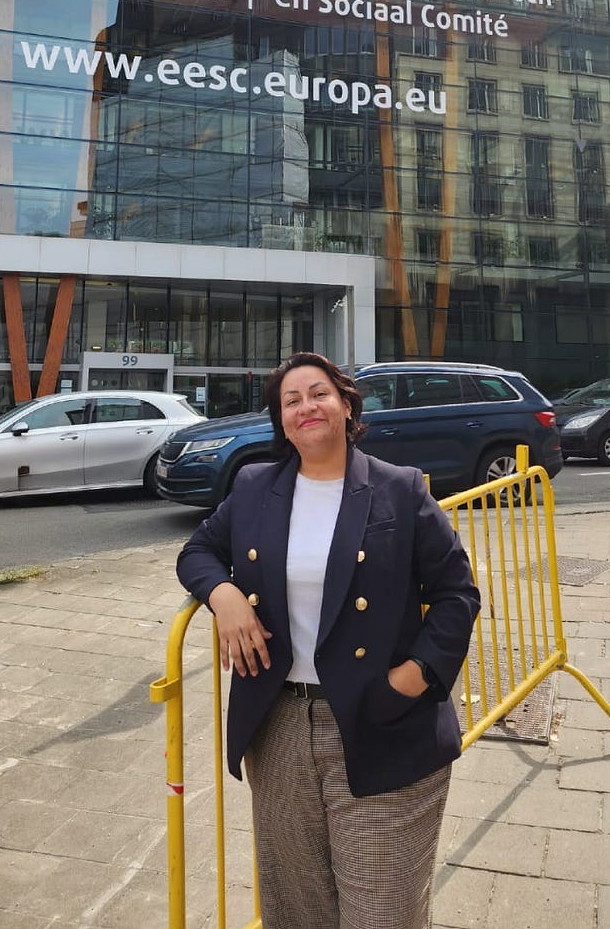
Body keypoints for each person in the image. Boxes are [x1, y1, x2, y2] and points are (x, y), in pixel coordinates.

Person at [177, 351, 480, 929]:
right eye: (291, 401)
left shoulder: (399, 489)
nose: (305, 407)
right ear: (281, 421)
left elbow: (456, 594)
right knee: (297, 908)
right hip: (278, 723)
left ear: (345, 405)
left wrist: (410, 680)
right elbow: (197, 551)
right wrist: (224, 596)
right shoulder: (254, 485)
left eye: (318, 393)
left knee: (381, 909)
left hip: (381, 720)